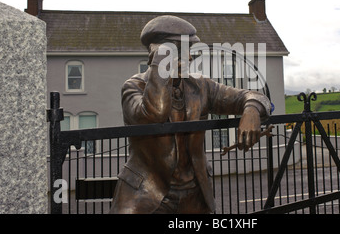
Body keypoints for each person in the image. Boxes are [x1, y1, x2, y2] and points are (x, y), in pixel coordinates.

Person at [109, 15, 271, 214]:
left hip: (194, 196)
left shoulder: (201, 86)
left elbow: (257, 97)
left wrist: (252, 109)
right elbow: (155, 114)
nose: (190, 58)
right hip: (147, 195)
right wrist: (161, 69)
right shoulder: (133, 88)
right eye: (183, 52)